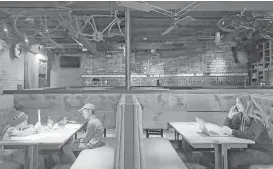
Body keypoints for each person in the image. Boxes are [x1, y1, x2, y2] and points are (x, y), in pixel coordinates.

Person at [222, 93, 273, 169]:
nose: (236, 105)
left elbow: (252, 135)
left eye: (239, 103)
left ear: (246, 103)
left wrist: (232, 132)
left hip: (264, 153)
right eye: (236, 103)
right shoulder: (241, 116)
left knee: (232, 159)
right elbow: (227, 129)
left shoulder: (256, 117)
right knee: (225, 156)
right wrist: (230, 116)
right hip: (251, 150)